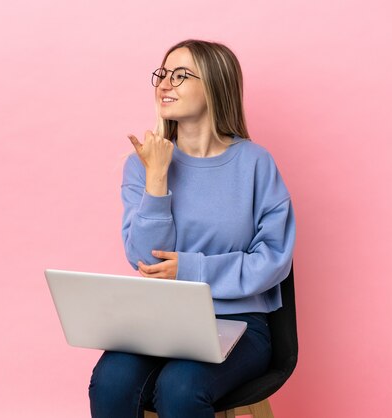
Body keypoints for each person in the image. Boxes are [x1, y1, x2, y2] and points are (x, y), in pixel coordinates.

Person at [88, 39, 296, 418]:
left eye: (181, 75)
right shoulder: (143, 164)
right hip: (160, 320)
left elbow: (273, 260)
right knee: (110, 382)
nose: (165, 83)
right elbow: (143, 259)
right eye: (163, 73)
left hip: (238, 322)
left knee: (181, 388)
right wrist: (156, 178)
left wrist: (192, 270)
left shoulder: (254, 163)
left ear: (215, 84)